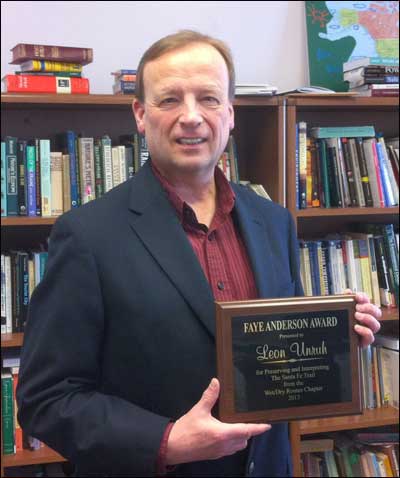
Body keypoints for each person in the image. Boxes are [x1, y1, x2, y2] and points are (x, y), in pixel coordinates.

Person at [17, 30, 381, 478]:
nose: (191, 117)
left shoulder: (274, 222)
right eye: (170, 99)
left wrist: (337, 336)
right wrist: (165, 442)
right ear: (140, 113)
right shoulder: (86, 235)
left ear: (229, 114)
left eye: (208, 98)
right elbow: (46, 399)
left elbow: (282, 347)